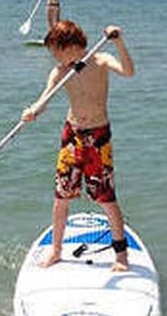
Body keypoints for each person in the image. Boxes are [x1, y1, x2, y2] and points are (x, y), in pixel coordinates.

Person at [21, 20, 135, 272]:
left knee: (105, 198)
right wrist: (32, 111)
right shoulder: (60, 72)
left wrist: (118, 42)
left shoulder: (102, 60)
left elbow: (129, 72)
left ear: (71, 47)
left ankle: (121, 255)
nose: (54, 57)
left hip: (98, 136)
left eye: (56, 51)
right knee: (61, 196)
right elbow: (44, 100)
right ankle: (57, 251)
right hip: (72, 136)